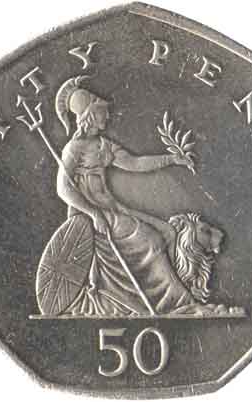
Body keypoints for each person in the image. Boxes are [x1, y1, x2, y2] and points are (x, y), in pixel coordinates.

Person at [55, 76, 206, 316]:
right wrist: (94, 214)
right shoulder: (73, 149)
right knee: (152, 240)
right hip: (90, 215)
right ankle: (175, 303)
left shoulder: (103, 145)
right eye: (103, 111)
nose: (108, 116)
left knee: (167, 232)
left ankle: (161, 299)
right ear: (90, 115)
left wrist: (171, 159)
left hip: (112, 209)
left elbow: (135, 163)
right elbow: (63, 189)